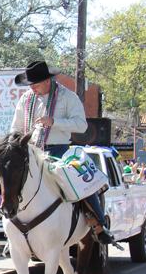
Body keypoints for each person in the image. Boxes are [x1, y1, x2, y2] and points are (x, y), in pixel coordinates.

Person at [10, 60, 114, 245]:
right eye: (30, 84)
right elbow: (17, 127)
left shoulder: (68, 97)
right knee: (10, 180)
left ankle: (100, 225)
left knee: (80, 179)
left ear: (48, 81)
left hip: (58, 150)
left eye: (35, 83)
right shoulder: (26, 98)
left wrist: (55, 122)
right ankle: (12, 232)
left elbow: (81, 125)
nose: (32, 87)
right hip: (31, 150)